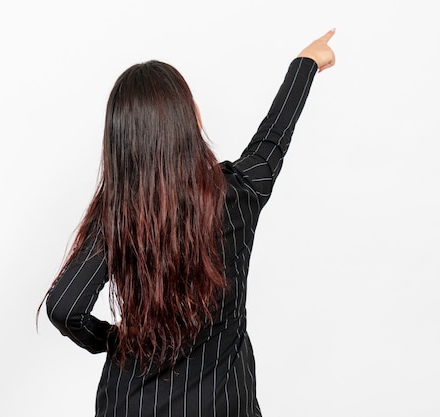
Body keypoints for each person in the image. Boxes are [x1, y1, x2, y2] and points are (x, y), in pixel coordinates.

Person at [42, 30, 336, 417]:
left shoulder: (118, 215)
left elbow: (65, 307)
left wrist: (111, 340)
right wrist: (306, 64)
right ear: (189, 119)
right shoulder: (238, 194)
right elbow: (272, 140)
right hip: (222, 403)